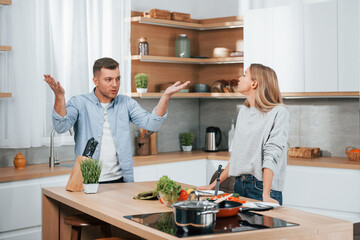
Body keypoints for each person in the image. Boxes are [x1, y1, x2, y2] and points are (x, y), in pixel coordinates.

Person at [44, 57, 190, 183]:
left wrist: (165, 97)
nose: (115, 84)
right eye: (108, 79)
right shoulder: (79, 103)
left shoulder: (126, 103)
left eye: (118, 79)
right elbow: (61, 127)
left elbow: (152, 123)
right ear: (95, 80)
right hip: (87, 182)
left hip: (121, 181)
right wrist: (59, 97)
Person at [198, 64, 290, 205]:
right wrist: (213, 186)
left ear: (254, 83)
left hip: (262, 188)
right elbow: (238, 156)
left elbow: (272, 154)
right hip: (239, 184)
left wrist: (266, 194)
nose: (239, 78)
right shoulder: (244, 112)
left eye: (244, 74)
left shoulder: (279, 112)